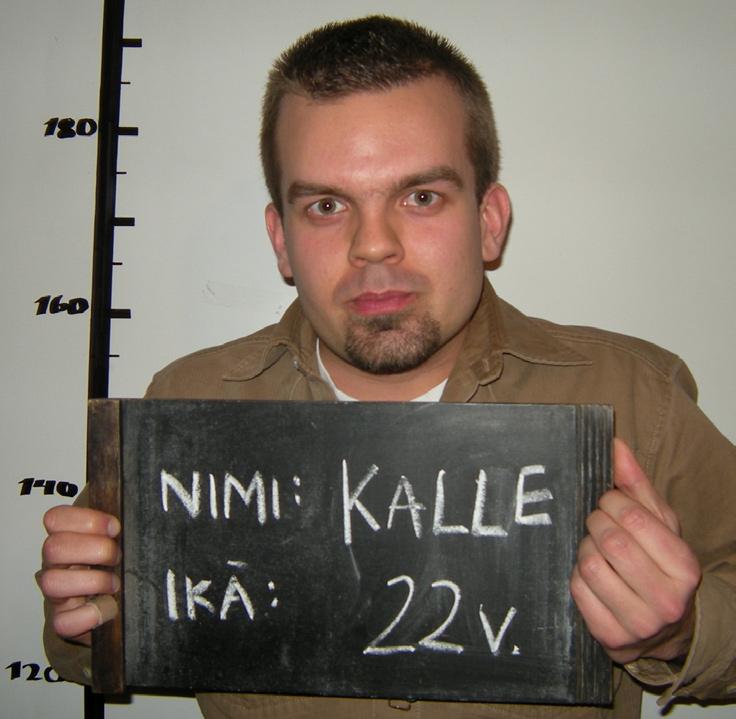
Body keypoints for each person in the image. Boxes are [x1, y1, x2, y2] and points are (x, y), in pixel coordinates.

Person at [39, 15, 736, 719]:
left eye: (421, 197)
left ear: (489, 221)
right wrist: (90, 617)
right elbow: (89, 645)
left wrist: (681, 632)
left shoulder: (634, 401)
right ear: (280, 239)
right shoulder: (184, 411)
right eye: (327, 205)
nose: (373, 245)